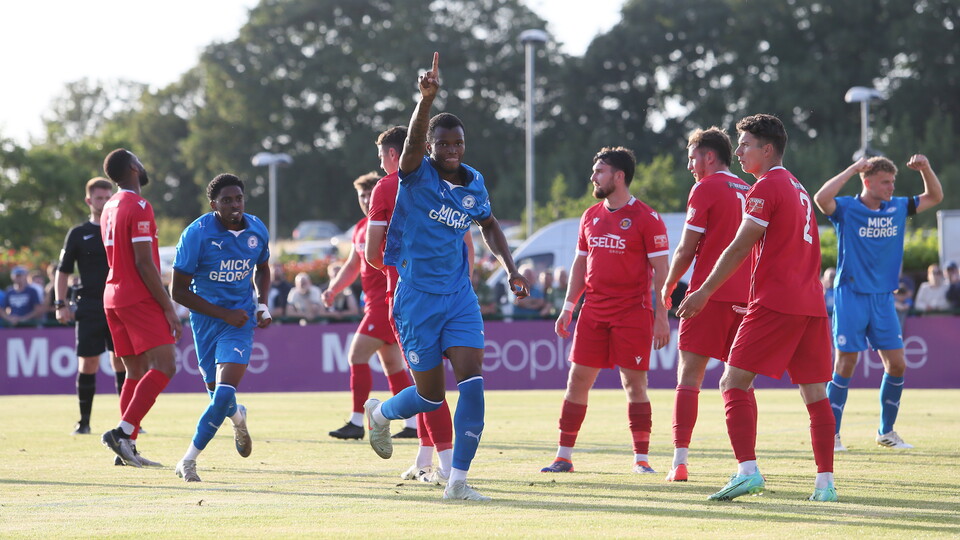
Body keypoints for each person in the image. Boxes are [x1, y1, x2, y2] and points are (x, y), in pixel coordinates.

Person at [363, 52, 529, 501]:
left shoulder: (475, 184)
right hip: (416, 299)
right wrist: (425, 101)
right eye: (444, 143)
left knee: (473, 381)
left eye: (458, 143)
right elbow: (413, 141)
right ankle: (379, 415)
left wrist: (511, 268)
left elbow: (490, 224)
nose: (452, 150)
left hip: (458, 297)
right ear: (431, 148)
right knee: (431, 397)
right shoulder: (415, 176)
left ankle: (457, 481)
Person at [677, 114, 837, 502]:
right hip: (811, 304)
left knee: (732, 382)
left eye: (746, 144)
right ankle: (825, 484)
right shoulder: (798, 186)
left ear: (768, 149)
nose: (739, 152)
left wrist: (703, 291)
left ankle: (747, 471)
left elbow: (739, 246)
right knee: (815, 394)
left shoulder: (766, 186)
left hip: (775, 302)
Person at [540, 146, 670, 476]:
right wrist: (568, 307)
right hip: (593, 312)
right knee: (577, 381)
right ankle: (563, 456)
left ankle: (641, 459)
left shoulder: (648, 218)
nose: (593, 177)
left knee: (634, 385)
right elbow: (581, 264)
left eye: (599, 171)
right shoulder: (590, 215)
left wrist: (662, 316)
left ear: (619, 176)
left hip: (633, 313)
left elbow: (662, 273)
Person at [814, 154, 942, 452]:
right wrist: (851, 169)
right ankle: (830, 435)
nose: (891, 187)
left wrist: (926, 168)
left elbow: (935, 196)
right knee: (846, 363)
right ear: (867, 182)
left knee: (897, 364)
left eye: (893, 181)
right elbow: (822, 198)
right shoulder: (846, 208)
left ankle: (886, 431)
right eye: (885, 182)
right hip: (851, 294)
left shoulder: (897, 206)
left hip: (884, 297)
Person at [366, 125, 457, 485]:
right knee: (438, 386)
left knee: (430, 387)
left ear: (393, 154)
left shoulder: (387, 186)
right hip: (453, 296)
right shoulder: (450, 180)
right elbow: (465, 241)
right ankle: (434, 462)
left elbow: (374, 255)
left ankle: (383, 416)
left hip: (409, 297)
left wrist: (397, 268)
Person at [659, 127, 751, 482]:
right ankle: (747, 463)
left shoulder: (706, 187)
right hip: (746, 298)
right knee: (742, 384)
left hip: (707, 296)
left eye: (692, 157)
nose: (690, 166)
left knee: (689, 377)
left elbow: (686, 247)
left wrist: (668, 287)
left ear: (709, 156)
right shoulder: (750, 188)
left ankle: (680, 461)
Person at [170, 173, 271, 482]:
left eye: (238, 199)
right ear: (213, 204)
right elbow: (178, 291)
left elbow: (263, 268)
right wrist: (222, 314)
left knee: (223, 392)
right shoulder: (196, 234)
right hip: (206, 321)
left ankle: (188, 461)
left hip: (239, 323)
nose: (234, 206)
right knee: (219, 396)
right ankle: (239, 418)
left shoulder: (257, 228)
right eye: (226, 201)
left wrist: (262, 305)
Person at [99, 148, 183, 468]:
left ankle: (127, 448)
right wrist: (169, 308)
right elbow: (144, 264)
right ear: (134, 167)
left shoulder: (108, 207)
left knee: (134, 372)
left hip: (112, 296)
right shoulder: (140, 205)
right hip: (137, 297)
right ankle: (122, 433)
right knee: (165, 366)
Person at [324, 171, 418, 441]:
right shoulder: (360, 228)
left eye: (369, 194)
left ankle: (356, 421)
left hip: (386, 302)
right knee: (392, 365)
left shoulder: (387, 222)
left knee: (356, 355)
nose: (366, 199)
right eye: (361, 195)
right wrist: (333, 289)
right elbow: (353, 265)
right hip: (376, 305)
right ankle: (412, 424)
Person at [55, 177, 126, 436]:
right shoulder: (77, 233)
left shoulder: (120, 229)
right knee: (88, 364)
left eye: (108, 197)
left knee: (121, 362)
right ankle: (84, 422)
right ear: (89, 201)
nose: (104, 202)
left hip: (118, 304)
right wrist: (60, 303)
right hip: (89, 306)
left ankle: (128, 422)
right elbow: (62, 272)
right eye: (99, 198)